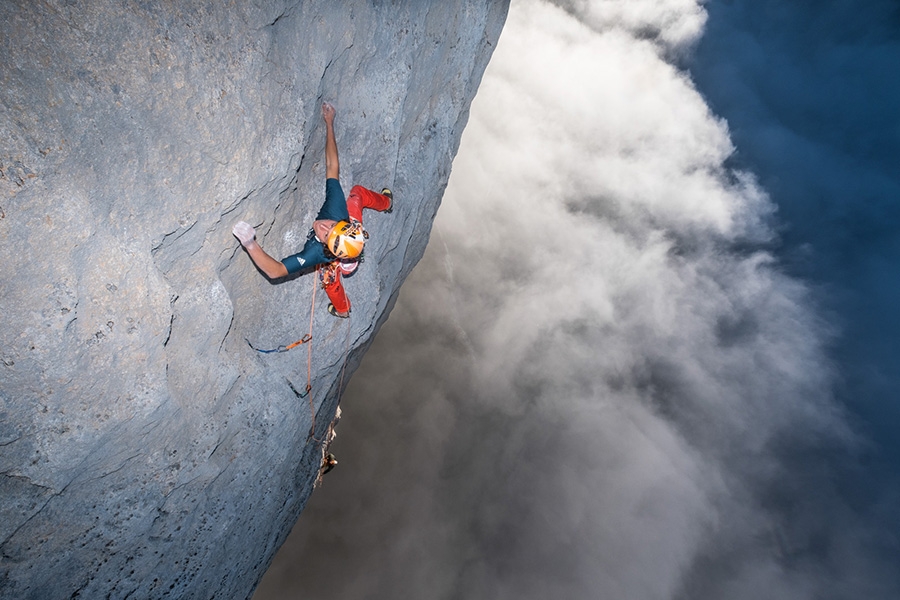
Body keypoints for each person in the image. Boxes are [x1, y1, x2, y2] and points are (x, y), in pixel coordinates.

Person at [232, 102, 393, 318]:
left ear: (326, 248)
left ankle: (343, 309)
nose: (323, 226)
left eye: (325, 234)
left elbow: (276, 271)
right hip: (348, 232)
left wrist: (250, 244)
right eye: (332, 226)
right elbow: (331, 166)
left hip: (337, 253)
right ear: (342, 222)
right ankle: (386, 203)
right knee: (356, 195)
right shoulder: (336, 211)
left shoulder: (316, 253)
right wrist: (329, 123)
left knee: (330, 278)